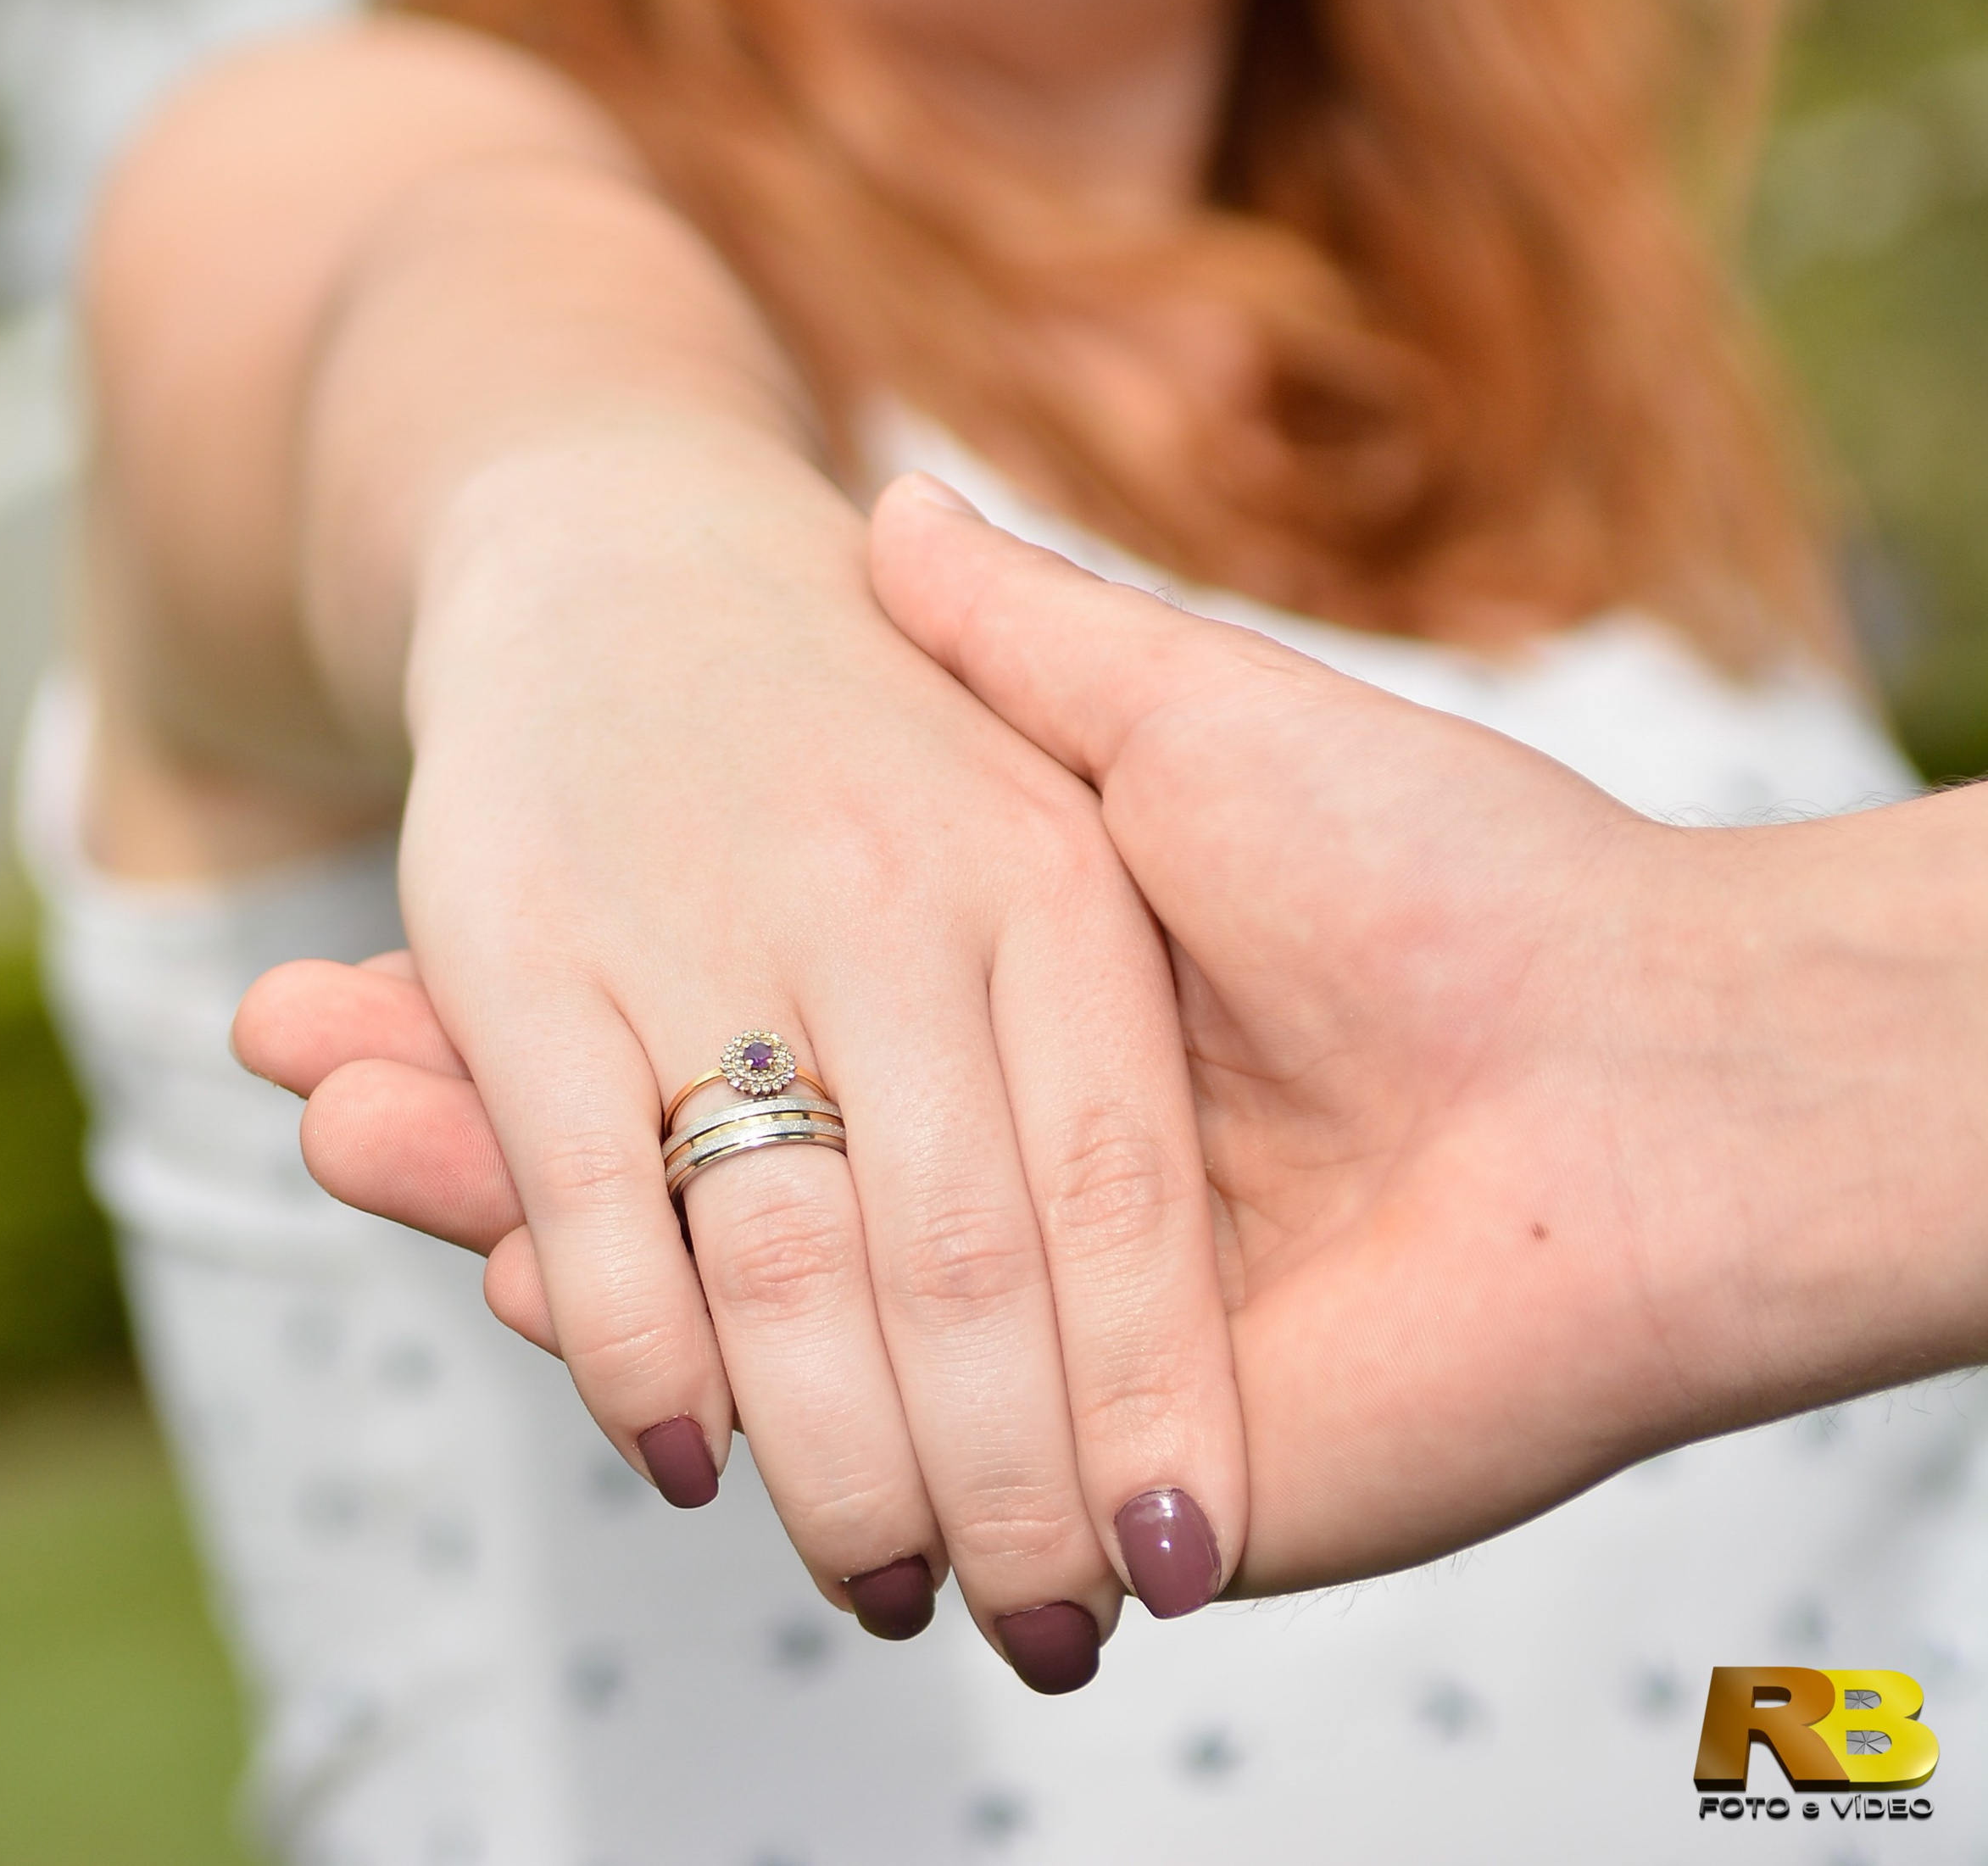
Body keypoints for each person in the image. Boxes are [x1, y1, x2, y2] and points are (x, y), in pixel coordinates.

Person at [36, 0, 1968, 1866]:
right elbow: (372, 255)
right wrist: (621, 546)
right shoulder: (466, 255)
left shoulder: (1659, 502)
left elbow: (1787, 1696)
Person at [258, 472, 1988, 1601]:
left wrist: (1687, 1036)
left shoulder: (1617, 370)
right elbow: (430, 269)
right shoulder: (401, 125)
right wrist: (610, 542)